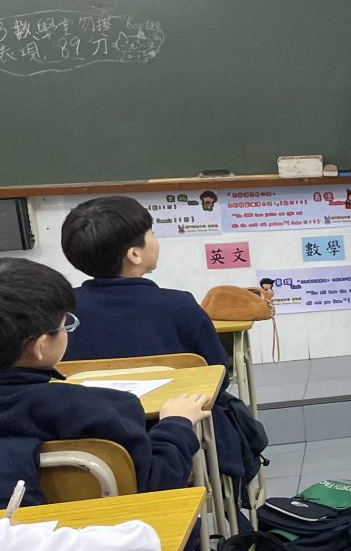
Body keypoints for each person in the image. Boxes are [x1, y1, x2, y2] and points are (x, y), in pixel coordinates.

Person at [60, 195, 261, 487]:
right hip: (176, 439)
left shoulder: (60, 315)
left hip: (89, 448)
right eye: (151, 234)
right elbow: (217, 377)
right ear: (135, 254)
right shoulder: (179, 306)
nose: (155, 241)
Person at [0, 258, 209, 505]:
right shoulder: (95, 410)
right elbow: (157, 483)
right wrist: (176, 424)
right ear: (41, 346)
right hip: (104, 527)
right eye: (66, 325)